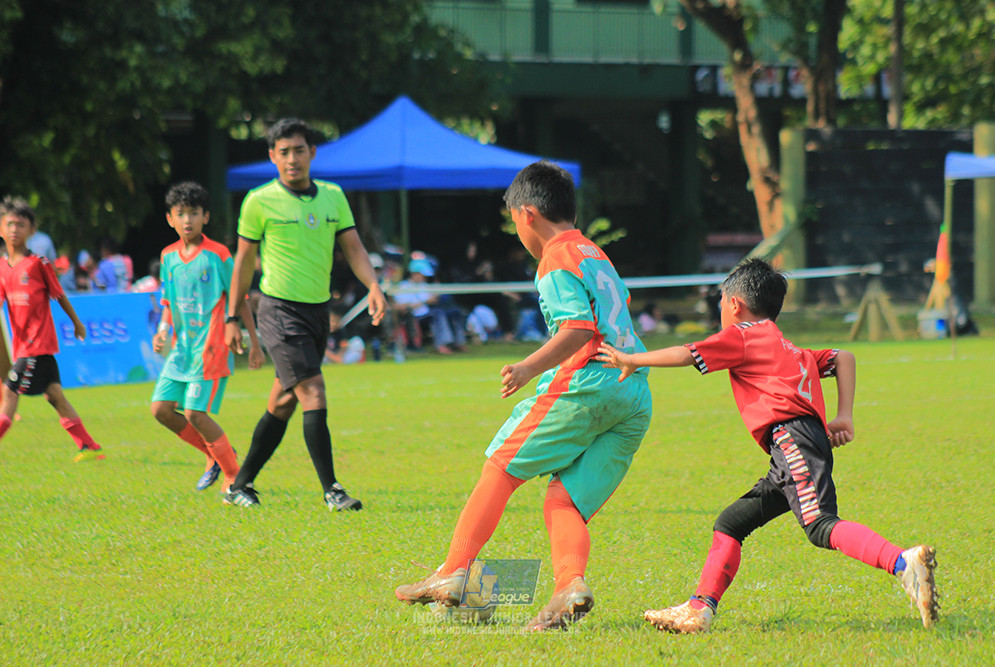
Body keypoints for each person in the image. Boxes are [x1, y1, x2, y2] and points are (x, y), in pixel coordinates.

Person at [598, 258, 939, 633]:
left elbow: (687, 353)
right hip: (795, 446)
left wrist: (632, 358)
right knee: (732, 522)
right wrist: (844, 415)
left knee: (820, 525)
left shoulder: (743, 334)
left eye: (720, 305)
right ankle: (700, 609)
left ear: (733, 305)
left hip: (792, 439)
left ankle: (903, 564)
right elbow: (845, 358)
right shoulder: (787, 346)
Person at [394, 161, 652, 631]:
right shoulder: (594, 252)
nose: (517, 231)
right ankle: (568, 587)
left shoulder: (555, 256)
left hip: (587, 383)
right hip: (633, 393)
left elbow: (579, 327)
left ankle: (453, 573)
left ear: (527, 214)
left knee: (500, 465)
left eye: (514, 221)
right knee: (564, 501)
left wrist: (529, 366)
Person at [224, 117, 386, 511]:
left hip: (317, 312)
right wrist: (232, 317)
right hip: (278, 310)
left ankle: (238, 486)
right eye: (283, 153)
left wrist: (374, 286)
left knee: (283, 401)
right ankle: (332, 490)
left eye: (299, 150)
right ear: (272, 157)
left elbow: (353, 247)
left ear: (312, 153)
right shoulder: (259, 201)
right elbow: (244, 261)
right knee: (313, 391)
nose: (292, 159)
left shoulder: (333, 196)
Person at [150, 182, 263, 494]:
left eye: (194, 213)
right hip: (182, 349)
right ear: (170, 219)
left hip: (212, 346)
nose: (188, 220)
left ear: (206, 217)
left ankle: (234, 477)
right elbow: (168, 302)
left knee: (194, 413)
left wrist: (253, 340)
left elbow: (240, 297)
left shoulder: (218, 255)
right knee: (160, 409)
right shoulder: (168, 257)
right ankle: (215, 457)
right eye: (181, 214)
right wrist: (162, 331)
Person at [0, 196, 105, 461]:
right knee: (54, 395)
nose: (15, 229)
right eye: (10, 224)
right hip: (24, 345)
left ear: (32, 231)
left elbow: (59, 295)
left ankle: (88, 446)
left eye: (21, 225)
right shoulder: (2, 267)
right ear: (1, 228)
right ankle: (89, 447)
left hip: (37, 344)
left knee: (9, 393)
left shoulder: (38, 264)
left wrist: (77, 323)